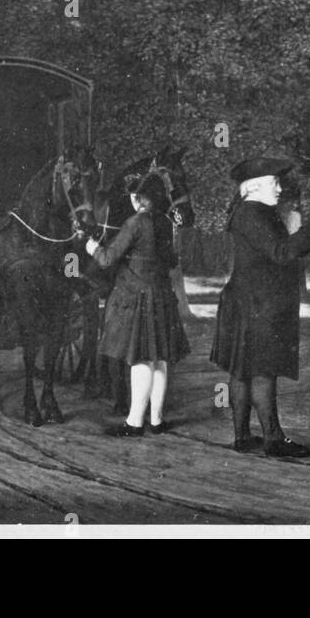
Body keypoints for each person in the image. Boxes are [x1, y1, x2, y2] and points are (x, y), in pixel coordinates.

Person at [211, 157, 310, 457]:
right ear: (255, 187)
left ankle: (243, 436)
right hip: (257, 305)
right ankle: (273, 439)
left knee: (243, 371)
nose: (281, 189)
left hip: (248, 302)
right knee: (262, 370)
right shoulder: (252, 213)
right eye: (275, 183)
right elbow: (281, 252)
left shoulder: (250, 211)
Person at [85, 174, 190, 437]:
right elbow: (171, 260)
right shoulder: (165, 223)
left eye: (134, 196)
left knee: (142, 359)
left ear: (139, 198)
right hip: (162, 297)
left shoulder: (134, 223)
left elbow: (108, 259)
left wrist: (90, 248)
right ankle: (156, 421)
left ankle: (133, 422)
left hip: (138, 299)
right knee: (160, 359)